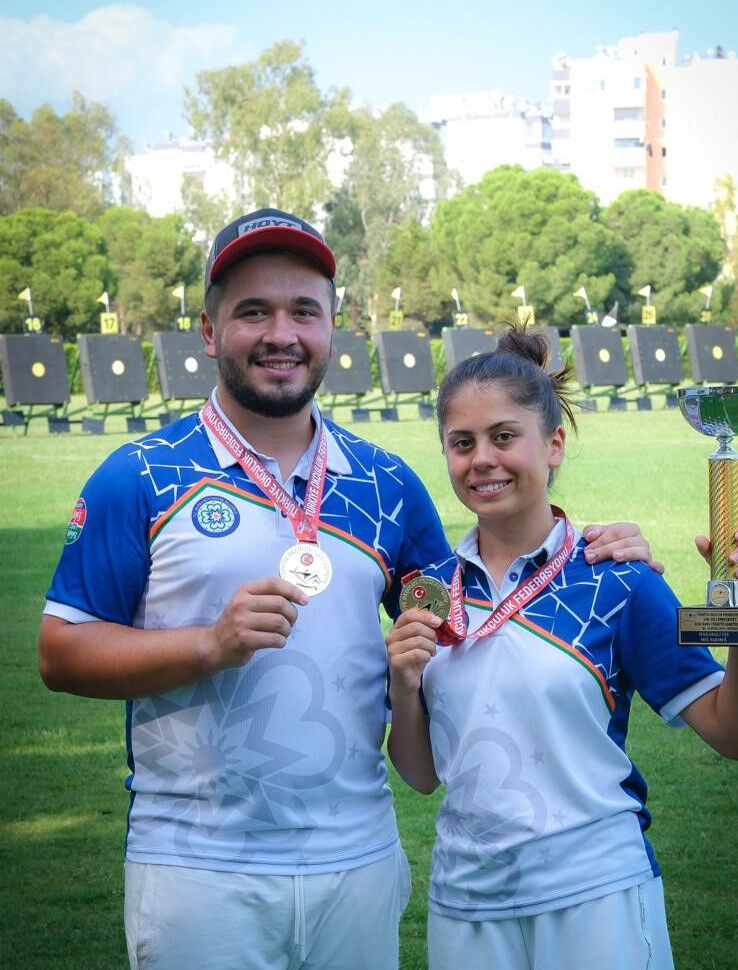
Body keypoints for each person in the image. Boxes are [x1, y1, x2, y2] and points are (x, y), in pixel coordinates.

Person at [39, 208, 662, 970]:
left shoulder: (386, 484)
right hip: (197, 865)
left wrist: (603, 553)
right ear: (208, 331)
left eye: (304, 311)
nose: (281, 333)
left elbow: (481, 612)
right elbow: (61, 652)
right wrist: (208, 644)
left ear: (332, 328)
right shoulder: (138, 475)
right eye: (252, 312)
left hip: (358, 857)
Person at [386, 326, 738, 970]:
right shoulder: (430, 592)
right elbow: (421, 775)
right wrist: (404, 685)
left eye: (504, 436)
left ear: (555, 445)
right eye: (462, 443)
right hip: (465, 906)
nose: (482, 459)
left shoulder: (620, 579)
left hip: (595, 896)